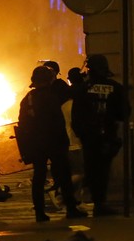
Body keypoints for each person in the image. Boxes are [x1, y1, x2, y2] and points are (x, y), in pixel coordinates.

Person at [17, 66, 88, 222]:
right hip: (54, 142)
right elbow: (58, 121)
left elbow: (22, 124)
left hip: (36, 144)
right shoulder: (52, 96)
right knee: (63, 176)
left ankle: (39, 212)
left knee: (39, 177)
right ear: (49, 80)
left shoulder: (28, 99)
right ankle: (71, 208)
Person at [71, 54, 129, 216]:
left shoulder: (83, 89)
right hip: (108, 136)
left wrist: (81, 133)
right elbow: (124, 112)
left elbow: (76, 115)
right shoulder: (115, 87)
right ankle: (100, 203)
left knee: (92, 168)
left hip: (89, 137)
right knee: (104, 169)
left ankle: (96, 200)